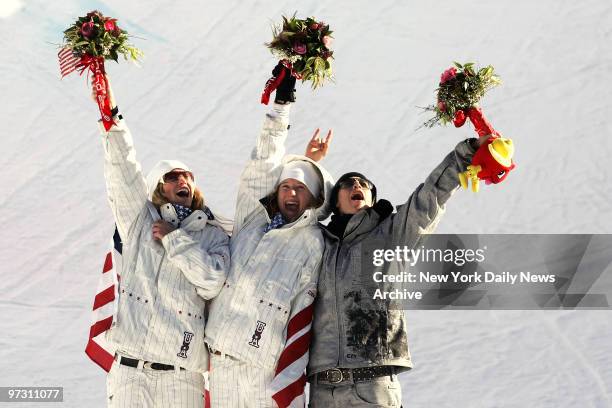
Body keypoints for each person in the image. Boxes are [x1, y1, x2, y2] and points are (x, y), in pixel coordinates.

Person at [307, 136, 488, 407]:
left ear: (371, 197)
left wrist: (468, 152)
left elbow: (430, 197)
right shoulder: (317, 242)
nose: (357, 185)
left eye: (364, 184)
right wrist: (309, 163)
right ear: (334, 202)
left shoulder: (392, 234)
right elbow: (289, 217)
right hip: (323, 391)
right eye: (347, 183)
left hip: (373, 386)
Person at [93, 76, 230, 407]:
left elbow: (212, 282)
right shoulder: (140, 222)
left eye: (187, 176)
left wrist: (176, 240)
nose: (182, 179)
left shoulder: (213, 234)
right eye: (172, 176)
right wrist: (112, 119)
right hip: (129, 370)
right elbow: (122, 172)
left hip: (181, 375)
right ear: (158, 187)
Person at [203, 63, 334, 407]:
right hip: (216, 367)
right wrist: (281, 104)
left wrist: (310, 164)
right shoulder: (252, 221)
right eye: (286, 186)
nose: (291, 194)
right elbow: (263, 162)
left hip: (262, 375)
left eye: (301, 189)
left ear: (316, 197)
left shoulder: (315, 242)